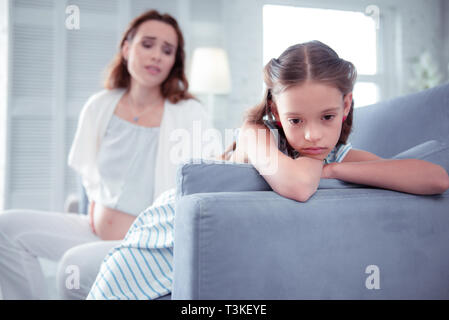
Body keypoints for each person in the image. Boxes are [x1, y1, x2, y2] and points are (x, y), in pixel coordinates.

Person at [86, 40, 449, 300]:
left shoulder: (334, 156)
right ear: (276, 112)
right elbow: (299, 185)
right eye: (295, 119)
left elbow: (435, 178)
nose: (312, 134)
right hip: (149, 253)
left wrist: (337, 170)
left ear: (347, 104)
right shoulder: (256, 134)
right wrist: (325, 168)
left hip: (200, 265)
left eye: (327, 117)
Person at [0, 9, 212, 300]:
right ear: (126, 48)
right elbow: (89, 172)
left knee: (72, 266)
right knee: (7, 228)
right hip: (94, 229)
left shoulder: (189, 113)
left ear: (175, 61)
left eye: (167, 50)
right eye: (147, 44)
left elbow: (205, 180)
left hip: (145, 245)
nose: (157, 56)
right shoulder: (100, 105)